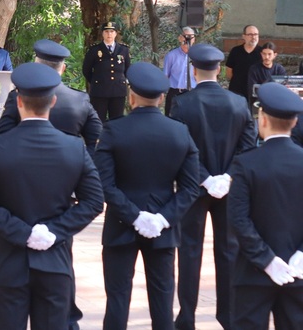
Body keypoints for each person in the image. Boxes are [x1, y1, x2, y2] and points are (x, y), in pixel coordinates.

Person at [0, 62, 105, 330]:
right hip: (55, 261)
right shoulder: (74, 147)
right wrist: (53, 231)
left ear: (18, 101)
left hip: (7, 263)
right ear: (53, 102)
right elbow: (93, 201)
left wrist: (23, 233)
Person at [94, 62, 200, 330]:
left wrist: (134, 216)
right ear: (162, 98)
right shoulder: (179, 131)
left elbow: (104, 184)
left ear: (130, 97)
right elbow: (189, 188)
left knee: (117, 300)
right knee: (163, 303)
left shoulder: (114, 130)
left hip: (120, 225)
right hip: (163, 230)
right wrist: (162, 219)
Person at [170, 43, 257, 330]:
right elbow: (247, 146)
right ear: (219, 69)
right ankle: (230, 318)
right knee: (229, 252)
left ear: (194, 71)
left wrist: (204, 178)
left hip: (194, 189)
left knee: (190, 253)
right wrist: (227, 177)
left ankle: (186, 319)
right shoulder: (238, 103)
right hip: (229, 189)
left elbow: (181, 148)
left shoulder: (182, 103)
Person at [227, 82, 303, 329]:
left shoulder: (246, 163)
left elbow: (238, 220)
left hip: (253, 272)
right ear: (294, 123)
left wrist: (267, 260)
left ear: (263, 119)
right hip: (298, 273)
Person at [0, 39, 102, 158]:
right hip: (68, 170)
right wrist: (78, 164)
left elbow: (2, 139)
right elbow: (98, 143)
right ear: (63, 68)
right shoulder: (80, 100)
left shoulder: (17, 96)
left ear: (36, 65)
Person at [82, 21, 131, 122]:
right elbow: (86, 70)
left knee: (117, 121)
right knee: (98, 121)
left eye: (112, 31)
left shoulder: (123, 50)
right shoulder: (94, 50)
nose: (109, 34)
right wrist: (96, 82)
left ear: (116, 34)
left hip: (118, 91)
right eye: (106, 31)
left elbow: (127, 69)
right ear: (102, 33)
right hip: (100, 91)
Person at [163, 26, 197, 116]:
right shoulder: (171, 55)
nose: (187, 39)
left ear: (194, 39)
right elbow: (165, 76)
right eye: (185, 36)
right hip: (175, 93)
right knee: (171, 119)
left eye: (190, 37)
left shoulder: (197, 56)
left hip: (193, 92)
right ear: (180, 38)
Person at [225, 24, 262, 107]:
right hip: (237, 91)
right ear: (244, 36)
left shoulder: (262, 53)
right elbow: (229, 71)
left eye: (256, 34)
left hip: (255, 92)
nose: (253, 37)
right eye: (250, 34)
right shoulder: (236, 51)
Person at [246, 42, 286, 106]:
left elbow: (282, 89)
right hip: (258, 102)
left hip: (276, 103)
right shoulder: (254, 69)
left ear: (274, 55)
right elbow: (252, 89)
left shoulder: (280, 69)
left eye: (269, 54)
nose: (266, 57)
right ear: (261, 54)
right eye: (264, 54)